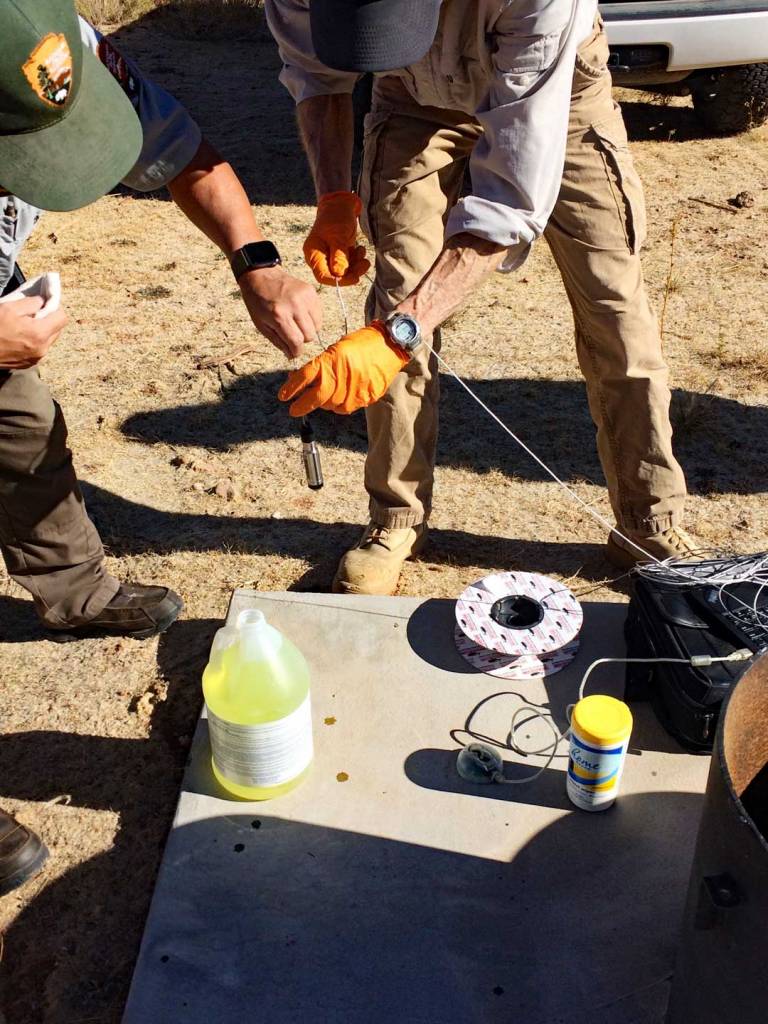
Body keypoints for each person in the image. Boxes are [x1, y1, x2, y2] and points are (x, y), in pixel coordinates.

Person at [0, 0, 320, 893]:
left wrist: (255, 259)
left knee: (24, 431)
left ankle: (76, 592)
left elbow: (178, 150)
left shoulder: (50, 40)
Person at [265, 0, 699, 596]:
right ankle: (396, 519)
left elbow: (509, 203)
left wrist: (401, 333)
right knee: (397, 293)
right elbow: (317, 76)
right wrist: (334, 197)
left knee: (616, 312)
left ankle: (649, 521)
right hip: (411, 99)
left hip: (558, 92)